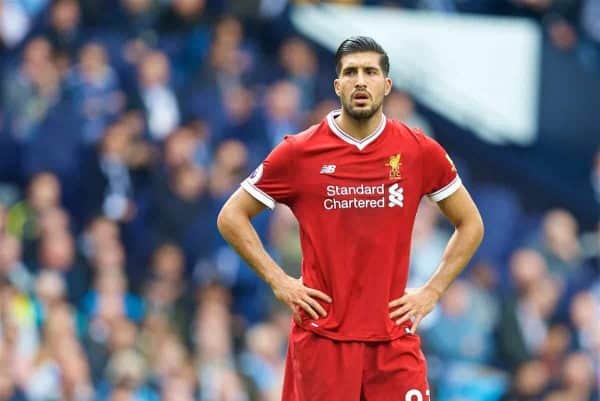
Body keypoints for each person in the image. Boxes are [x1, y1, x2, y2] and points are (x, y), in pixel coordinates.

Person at [217, 36, 484, 401]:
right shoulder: (300, 152)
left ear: (386, 85)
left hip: (393, 339)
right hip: (323, 341)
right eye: (351, 72)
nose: (361, 81)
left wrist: (432, 291)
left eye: (370, 72)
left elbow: (471, 224)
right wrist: (279, 281)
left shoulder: (418, 150)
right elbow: (231, 216)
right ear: (337, 85)